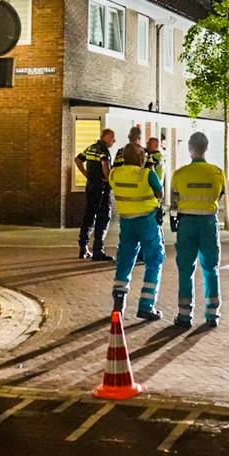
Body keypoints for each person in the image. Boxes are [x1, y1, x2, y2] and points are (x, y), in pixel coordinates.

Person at [170, 133, 226, 328]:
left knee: (185, 269)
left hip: (186, 224)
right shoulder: (217, 173)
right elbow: (219, 195)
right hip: (208, 223)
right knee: (211, 268)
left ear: (190, 148)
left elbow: (174, 201)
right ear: (206, 148)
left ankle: (184, 315)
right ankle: (212, 314)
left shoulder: (179, 174)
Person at [109, 147, 165, 320]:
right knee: (154, 260)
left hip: (126, 222)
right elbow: (160, 192)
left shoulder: (114, 174)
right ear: (141, 158)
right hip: (147, 221)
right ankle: (146, 306)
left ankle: (118, 304)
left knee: (124, 260)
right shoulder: (147, 174)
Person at [74, 129, 116, 261]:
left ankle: (83, 247)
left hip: (91, 187)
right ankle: (98, 250)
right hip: (101, 188)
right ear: (105, 137)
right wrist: (109, 179)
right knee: (103, 217)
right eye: (112, 138)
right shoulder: (103, 150)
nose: (113, 141)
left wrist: (87, 175)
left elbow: (78, 160)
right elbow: (104, 164)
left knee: (89, 215)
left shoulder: (91, 148)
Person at [146, 137, 166, 228]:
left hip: (155, 189)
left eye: (149, 144)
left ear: (156, 146)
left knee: (154, 218)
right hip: (158, 188)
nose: (147, 146)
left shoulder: (155, 157)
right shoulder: (159, 156)